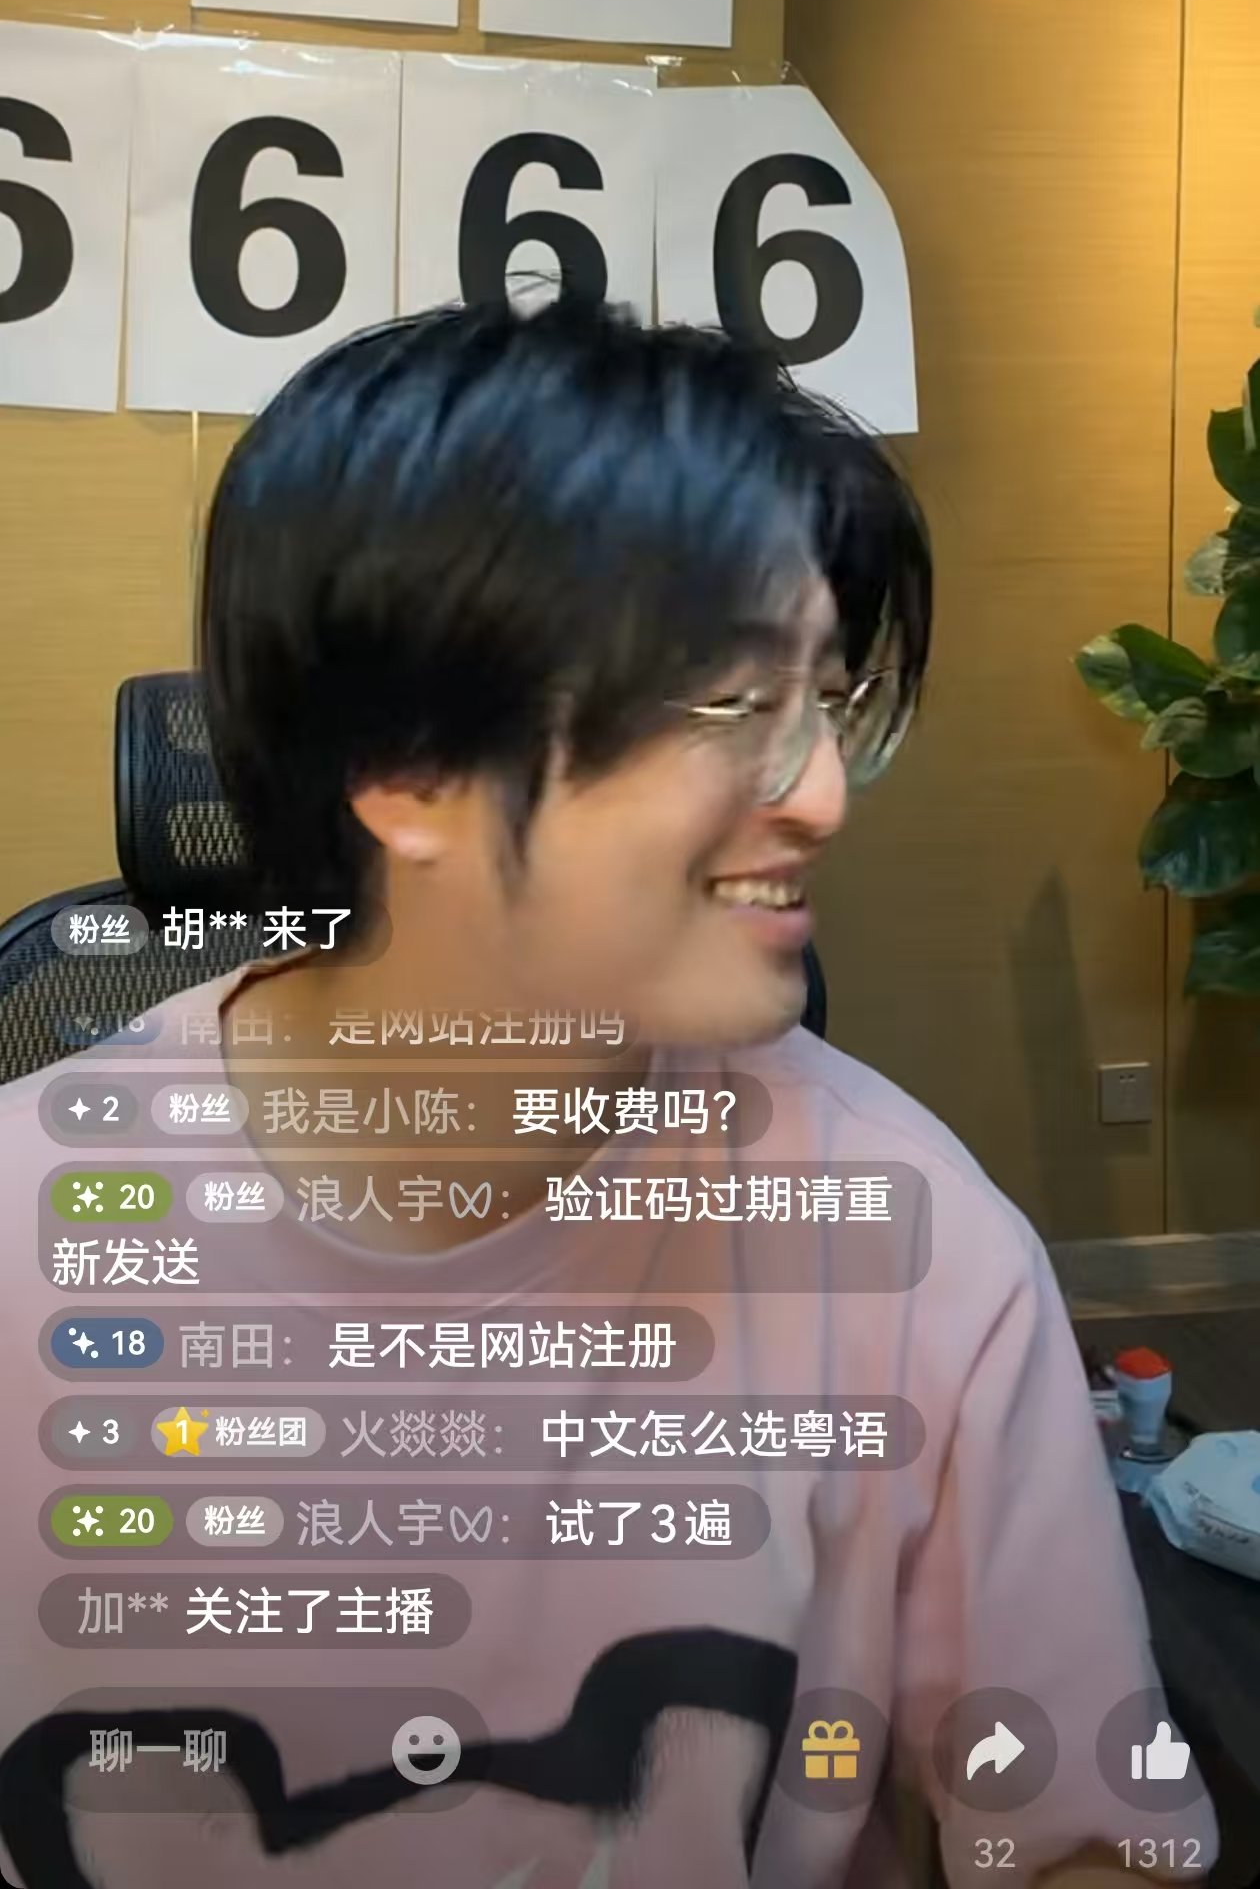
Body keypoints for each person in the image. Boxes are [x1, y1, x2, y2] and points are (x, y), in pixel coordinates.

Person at [0, 297, 1216, 1889]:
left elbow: (1085, 1842)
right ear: (410, 767)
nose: (822, 794)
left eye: (829, 703)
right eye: (727, 704)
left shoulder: (917, 1247)